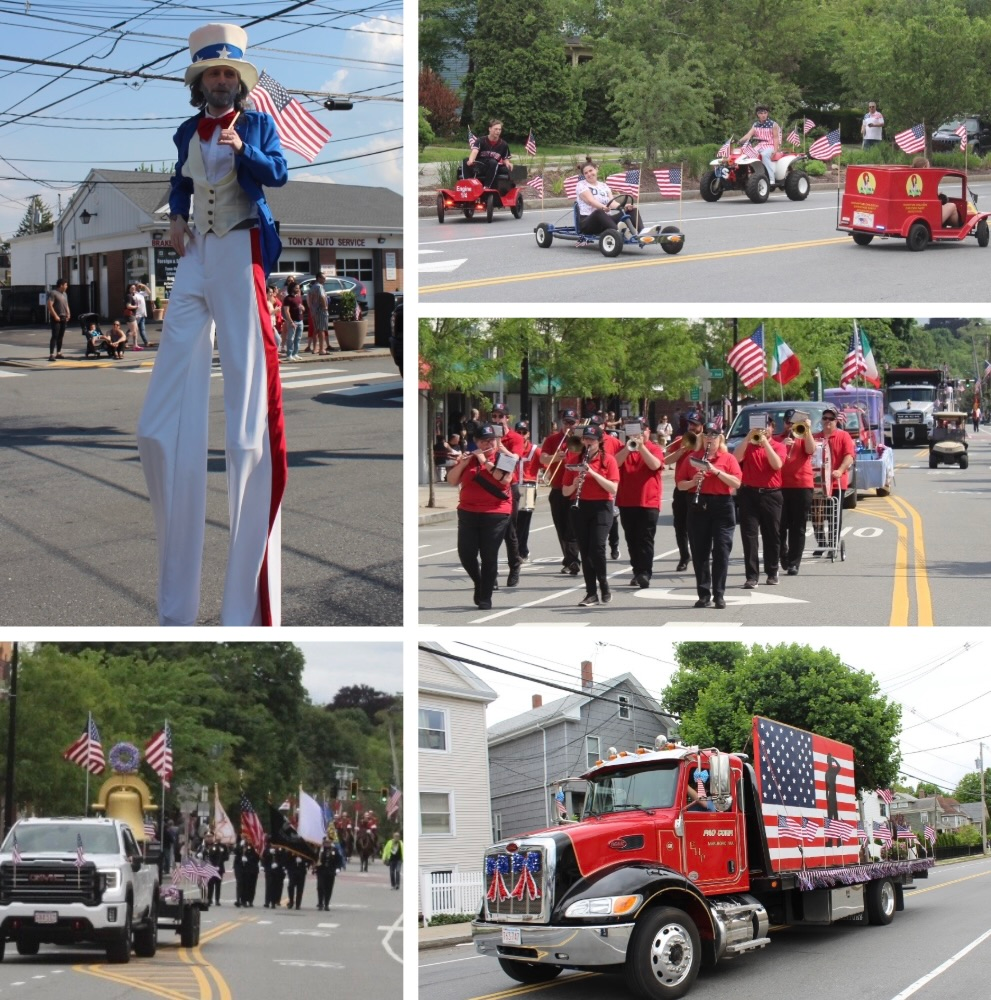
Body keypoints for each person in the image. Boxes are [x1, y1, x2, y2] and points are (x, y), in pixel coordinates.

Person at [136, 22, 288, 627]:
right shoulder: (185, 130)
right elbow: (182, 179)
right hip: (196, 254)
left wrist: (243, 147)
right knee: (157, 430)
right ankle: (177, 606)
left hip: (241, 250)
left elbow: (276, 175)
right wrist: (175, 214)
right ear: (199, 83)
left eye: (229, 73)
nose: (221, 82)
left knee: (248, 435)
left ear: (239, 82)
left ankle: (243, 613)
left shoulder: (252, 123)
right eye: (212, 74)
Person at [447, 424, 514, 611]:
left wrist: (485, 461)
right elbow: (452, 480)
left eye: (491, 440)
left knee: (489, 555)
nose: (488, 443)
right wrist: (462, 463)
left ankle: (485, 597)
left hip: (496, 512)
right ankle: (480, 582)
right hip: (468, 511)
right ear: (475, 442)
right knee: (466, 554)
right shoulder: (469, 458)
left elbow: (505, 479)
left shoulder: (505, 457)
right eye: (483, 440)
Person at [678, 425, 742, 609]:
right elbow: (680, 485)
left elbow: (737, 482)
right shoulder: (692, 458)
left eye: (714, 435)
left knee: (722, 550)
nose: (710, 438)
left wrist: (716, 471)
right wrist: (693, 481)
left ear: (720, 438)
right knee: (700, 552)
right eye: (706, 435)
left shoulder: (728, 458)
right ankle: (703, 594)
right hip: (698, 504)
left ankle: (719, 594)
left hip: (722, 505)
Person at [562, 423, 620, 606]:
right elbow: (565, 491)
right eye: (586, 439)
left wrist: (593, 473)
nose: (588, 443)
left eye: (592, 440)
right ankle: (591, 592)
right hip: (580, 507)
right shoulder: (574, 460)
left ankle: (603, 583)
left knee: (598, 547)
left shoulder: (608, 460)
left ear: (599, 441)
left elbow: (613, 488)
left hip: (602, 507)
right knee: (585, 550)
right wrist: (574, 484)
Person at [734, 416, 786, 587]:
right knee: (749, 536)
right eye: (758, 427)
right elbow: (735, 458)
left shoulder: (778, 445)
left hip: (771, 494)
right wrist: (748, 437)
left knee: (772, 535)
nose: (762, 430)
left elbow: (777, 464)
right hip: (749, 493)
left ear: (772, 428)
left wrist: (766, 443)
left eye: (765, 427)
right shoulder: (748, 445)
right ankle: (752, 576)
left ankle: (772, 572)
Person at [615, 418, 664, 589]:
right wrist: (629, 448)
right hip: (626, 501)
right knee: (631, 539)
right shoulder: (624, 449)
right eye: (636, 431)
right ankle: (637, 571)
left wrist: (641, 446)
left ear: (648, 432)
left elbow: (654, 465)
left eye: (642, 431)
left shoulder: (654, 449)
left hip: (649, 502)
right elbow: (614, 464)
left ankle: (645, 573)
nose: (639, 434)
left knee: (645, 539)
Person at [540, 409, 582, 574]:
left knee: (573, 527)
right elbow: (542, 458)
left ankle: (573, 560)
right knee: (561, 527)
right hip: (558, 488)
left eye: (572, 422)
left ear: (578, 423)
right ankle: (570, 559)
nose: (569, 426)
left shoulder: (581, 439)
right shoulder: (553, 439)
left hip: (575, 489)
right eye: (566, 422)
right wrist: (555, 457)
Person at [775, 409, 816, 575]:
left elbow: (811, 450)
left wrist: (807, 430)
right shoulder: (777, 439)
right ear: (784, 424)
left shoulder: (803, 435)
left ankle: (794, 562)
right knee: (780, 525)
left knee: (798, 526)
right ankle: (783, 554)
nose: (791, 426)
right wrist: (782, 446)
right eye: (788, 423)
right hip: (780, 486)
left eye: (794, 423)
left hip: (802, 485)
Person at [490, 402, 526, 587]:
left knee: (509, 531)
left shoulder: (515, 437)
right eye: (494, 416)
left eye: (500, 416)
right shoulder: (487, 434)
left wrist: (499, 445)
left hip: (509, 486)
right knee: (491, 534)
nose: (497, 419)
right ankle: (491, 574)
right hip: (490, 486)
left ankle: (514, 565)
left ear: (507, 418)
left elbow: (515, 459)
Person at [574, 161, 648, 246]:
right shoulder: (581, 185)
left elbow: (612, 203)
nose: (589, 174)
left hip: (606, 220)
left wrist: (624, 207)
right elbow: (591, 201)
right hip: (588, 222)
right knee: (599, 212)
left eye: (591, 171)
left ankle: (643, 234)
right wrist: (603, 207)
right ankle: (619, 234)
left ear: (596, 169)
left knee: (633, 210)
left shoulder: (604, 186)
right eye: (586, 173)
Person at [814, 406, 856, 551]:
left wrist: (840, 470)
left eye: (831, 419)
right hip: (818, 483)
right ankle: (821, 544)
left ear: (836, 421)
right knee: (816, 514)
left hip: (836, 482)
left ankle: (833, 544)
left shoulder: (843, 436)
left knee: (833, 515)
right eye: (825, 418)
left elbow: (849, 456)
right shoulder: (815, 437)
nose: (827, 421)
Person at [668, 412, 706, 572]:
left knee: (699, 525)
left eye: (695, 424)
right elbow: (666, 460)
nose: (691, 427)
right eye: (690, 423)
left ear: (701, 426)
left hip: (700, 488)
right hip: (682, 487)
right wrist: (681, 451)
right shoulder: (681, 439)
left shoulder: (707, 440)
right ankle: (684, 555)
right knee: (680, 525)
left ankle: (702, 554)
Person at [515, 423, 541, 562]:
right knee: (513, 521)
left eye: (524, 432)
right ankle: (520, 549)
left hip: (529, 487)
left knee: (524, 521)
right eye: (518, 431)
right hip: (513, 486)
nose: (521, 434)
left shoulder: (535, 450)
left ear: (528, 434)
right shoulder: (511, 448)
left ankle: (521, 550)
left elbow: (545, 462)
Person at [910, 156, 961, 226]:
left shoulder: (911, 178)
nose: (930, 169)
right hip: (930, 215)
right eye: (928, 166)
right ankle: (957, 229)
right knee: (952, 206)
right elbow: (929, 196)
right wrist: (937, 194)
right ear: (924, 167)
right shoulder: (926, 179)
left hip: (915, 211)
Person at [465, 119, 513, 189]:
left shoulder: (504, 144)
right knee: (465, 160)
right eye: (496, 129)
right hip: (480, 165)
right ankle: (466, 185)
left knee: (493, 162)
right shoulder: (480, 140)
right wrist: (471, 160)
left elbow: (505, 158)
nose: (498, 131)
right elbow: (475, 151)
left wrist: (508, 163)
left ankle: (487, 187)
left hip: (492, 167)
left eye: (499, 129)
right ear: (490, 129)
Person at [740, 104, 781, 185]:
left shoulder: (773, 124)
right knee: (746, 155)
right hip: (760, 145)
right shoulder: (755, 125)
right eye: (761, 113)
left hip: (770, 145)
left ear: (767, 113)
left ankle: (771, 178)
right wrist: (739, 141)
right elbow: (749, 135)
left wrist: (775, 150)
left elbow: (776, 138)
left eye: (765, 113)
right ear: (758, 114)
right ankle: (750, 175)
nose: (763, 115)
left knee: (764, 155)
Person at [281, 277, 305, 361]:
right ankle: (289, 354)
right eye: (296, 288)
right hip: (293, 321)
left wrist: (302, 308)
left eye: (298, 288)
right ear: (292, 289)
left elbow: (302, 307)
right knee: (290, 338)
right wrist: (290, 321)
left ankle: (295, 353)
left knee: (298, 338)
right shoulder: (288, 298)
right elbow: (286, 311)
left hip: (300, 320)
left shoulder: (298, 297)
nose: (298, 289)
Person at [306, 271, 330, 355]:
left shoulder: (312, 287)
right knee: (322, 330)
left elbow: (309, 299)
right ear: (318, 278)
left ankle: (314, 348)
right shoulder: (319, 287)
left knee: (316, 330)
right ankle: (321, 349)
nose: (325, 280)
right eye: (323, 278)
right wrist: (325, 307)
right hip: (320, 311)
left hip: (314, 311)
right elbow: (322, 297)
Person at [46, 277, 70, 361]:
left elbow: (66, 304)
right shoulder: (53, 293)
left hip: (63, 317)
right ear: (61, 285)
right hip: (56, 317)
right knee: (55, 335)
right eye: (66, 285)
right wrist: (55, 315)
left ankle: (58, 353)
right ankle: (51, 354)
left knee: (61, 335)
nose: (67, 286)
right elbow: (49, 305)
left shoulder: (65, 294)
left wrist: (68, 313)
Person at [315, 835, 342, 909]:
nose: (327, 844)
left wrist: (338, 868)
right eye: (325, 842)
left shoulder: (335, 850)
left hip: (330, 871)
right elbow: (315, 858)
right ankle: (320, 903)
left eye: (328, 842)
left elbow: (339, 860)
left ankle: (326, 904)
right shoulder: (320, 850)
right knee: (320, 887)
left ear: (331, 842)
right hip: (321, 871)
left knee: (329, 888)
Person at [132, 281, 152, 348]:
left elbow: (149, 293)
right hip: (137, 315)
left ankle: (146, 342)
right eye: (137, 286)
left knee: (142, 329)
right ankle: (124, 342)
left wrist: (144, 286)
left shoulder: (141, 293)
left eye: (139, 286)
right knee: (132, 329)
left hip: (142, 314)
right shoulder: (134, 294)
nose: (139, 287)